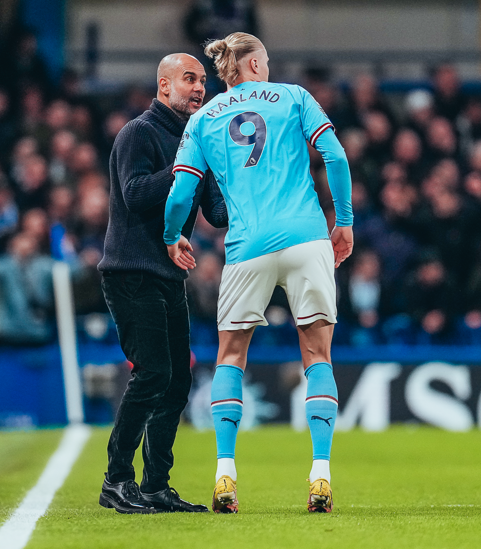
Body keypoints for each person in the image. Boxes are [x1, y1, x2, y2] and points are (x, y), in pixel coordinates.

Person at [164, 32, 353, 514]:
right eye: (265, 61)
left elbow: (183, 193)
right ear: (252, 65)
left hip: (247, 247)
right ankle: (320, 475)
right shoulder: (294, 97)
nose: (267, 67)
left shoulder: (203, 119)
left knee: (231, 356)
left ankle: (225, 474)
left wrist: (172, 235)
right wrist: (345, 221)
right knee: (317, 355)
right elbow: (334, 155)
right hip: (307, 237)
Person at [97, 53, 227, 515]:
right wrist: (184, 166)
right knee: (153, 373)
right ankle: (116, 481)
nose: (198, 88)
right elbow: (134, 195)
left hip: (169, 274)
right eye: (189, 79)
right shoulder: (139, 133)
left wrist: (241, 181)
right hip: (131, 271)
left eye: (202, 81)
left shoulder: (198, 141)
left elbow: (216, 214)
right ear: (164, 84)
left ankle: (155, 486)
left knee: (176, 383)